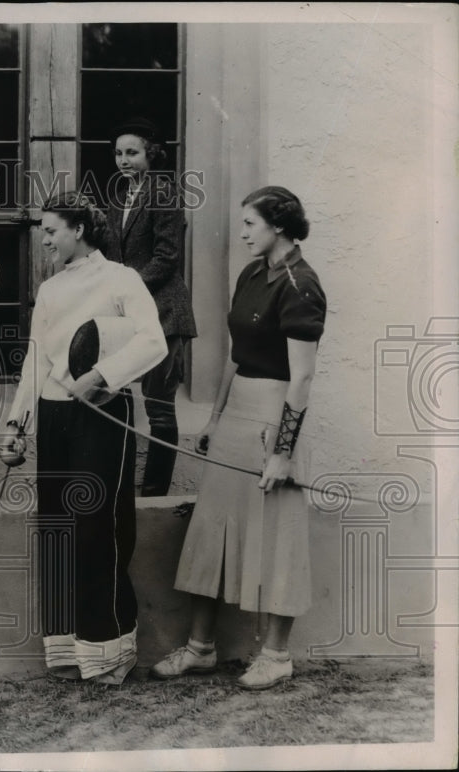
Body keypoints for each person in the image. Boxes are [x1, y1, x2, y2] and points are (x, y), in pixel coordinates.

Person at [151, 186, 326, 690]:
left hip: (275, 417)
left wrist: (283, 453)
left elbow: (302, 379)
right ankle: (201, 648)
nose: (243, 232)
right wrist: (213, 418)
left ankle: (276, 655)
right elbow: (236, 352)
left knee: (277, 535)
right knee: (212, 527)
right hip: (237, 414)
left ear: (279, 226)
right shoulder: (252, 272)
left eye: (251, 223)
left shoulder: (302, 285)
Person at [0, 193, 167, 685]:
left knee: (98, 526)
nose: (45, 240)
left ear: (79, 229)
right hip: (53, 415)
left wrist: (101, 375)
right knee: (58, 527)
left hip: (102, 414)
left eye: (52, 230)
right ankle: (70, 652)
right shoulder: (50, 290)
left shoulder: (122, 279)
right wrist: (17, 426)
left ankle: (110, 652)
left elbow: (152, 341)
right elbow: (36, 360)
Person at [105, 118, 198, 497]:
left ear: (151, 154)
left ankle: (155, 491)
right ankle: (119, 485)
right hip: (128, 315)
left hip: (164, 312)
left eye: (132, 152)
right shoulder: (118, 197)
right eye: (118, 153)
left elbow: (166, 257)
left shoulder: (164, 192)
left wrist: (125, 290)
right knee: (116, 400)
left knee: (160, 409)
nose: (123, 160)